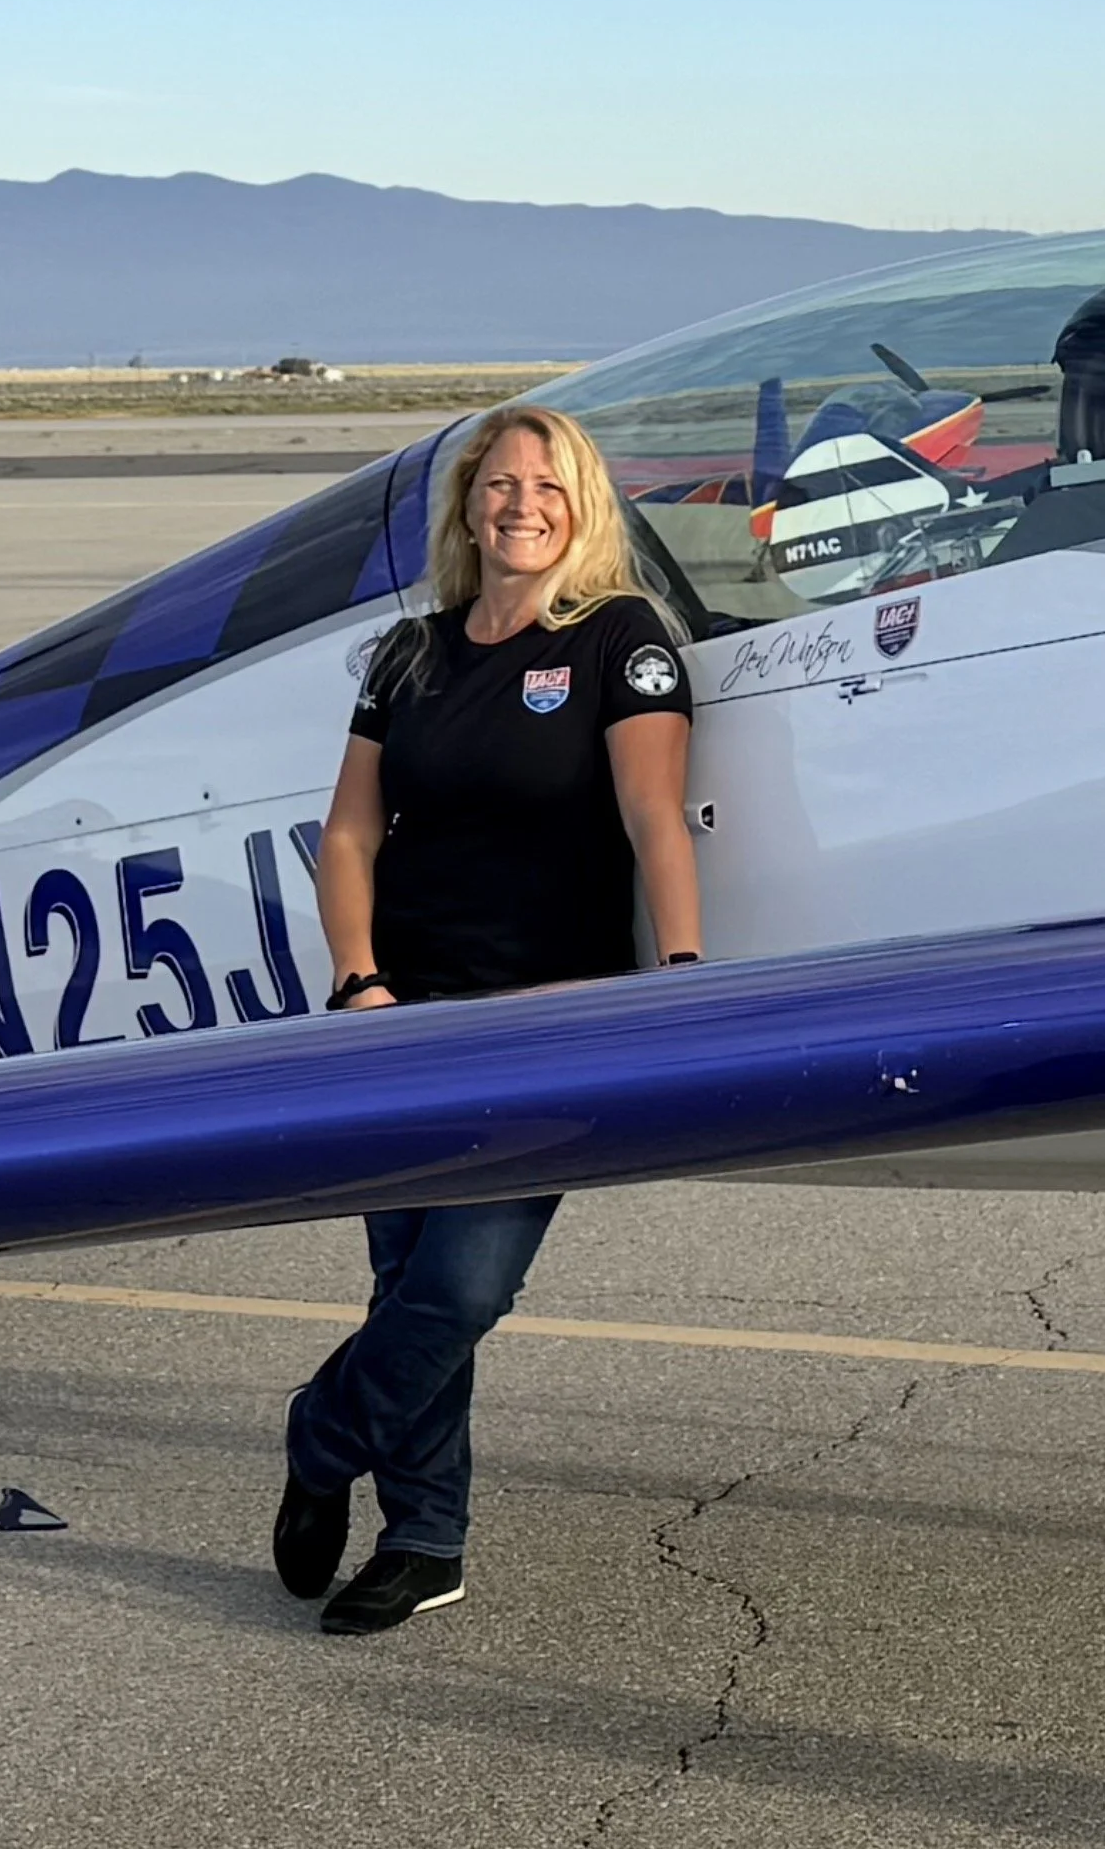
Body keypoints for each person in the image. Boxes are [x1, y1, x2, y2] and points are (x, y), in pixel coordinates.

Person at [273, 405, 703, 1636]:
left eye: (548, 486)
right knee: (404, 1281)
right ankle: (422, 1540)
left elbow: (656, 818)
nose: (522, 505)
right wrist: (358, 980)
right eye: (501, 484)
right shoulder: (409, 653)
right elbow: (350, 833)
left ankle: (320, 1439)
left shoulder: (621, 638)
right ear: (468, 505)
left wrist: (681, 974)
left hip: (547, 1020)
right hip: (403, 1010)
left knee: (462, 1290)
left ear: (584, 506)